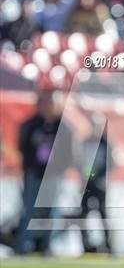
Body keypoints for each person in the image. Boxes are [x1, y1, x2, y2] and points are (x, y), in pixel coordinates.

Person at [15, 90, 74, 255]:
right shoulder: (31, 124)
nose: (47, 107)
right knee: (29, 210)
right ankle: (23, 245)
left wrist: (56, 169)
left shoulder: (63, 127)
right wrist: (31, 168)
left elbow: (69, 153)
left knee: (51, 211)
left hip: (53, 176)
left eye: (50, 103)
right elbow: (23, 148)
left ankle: (46, 246)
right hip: (34, 174)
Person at [78, 121, 113, 254]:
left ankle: (107, 244)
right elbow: (78, 160)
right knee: (83, 214)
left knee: (102, 214)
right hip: (86, 184)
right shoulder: (85, 141)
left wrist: (97, 174)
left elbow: (111, 163)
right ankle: (86, 244)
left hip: (99, 184)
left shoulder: (105, 143)